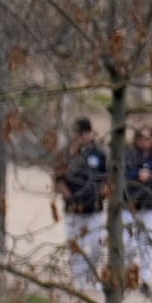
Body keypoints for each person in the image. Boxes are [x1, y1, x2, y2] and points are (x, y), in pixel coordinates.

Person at [55, 117, 110, 291]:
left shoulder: (99, 154)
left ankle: (91, 277)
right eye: (78, 134)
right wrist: (69, 197)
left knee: (96, 246)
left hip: (94, 208)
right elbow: (58, 179)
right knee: (75, 245)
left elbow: (107, 178)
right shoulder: (66, 155)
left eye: (84, 133)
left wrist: (102, 192)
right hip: (74, 208)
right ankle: (78, 281)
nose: (80, 137)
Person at [119, 124, 152, 284]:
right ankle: (129, 273)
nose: (144, 141)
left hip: (151, 206)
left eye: (147, 138)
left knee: (148, 244)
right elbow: (120, 173)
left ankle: (145, 278)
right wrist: (136, 175)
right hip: (129, 206)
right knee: (129, 244)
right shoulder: (127, 155)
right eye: (141, 138)